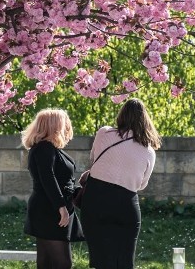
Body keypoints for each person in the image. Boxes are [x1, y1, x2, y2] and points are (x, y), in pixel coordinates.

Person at [79, 98, 161, 269]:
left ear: (121, 115)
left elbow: (93, 159)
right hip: (126, 203)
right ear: (145, 120)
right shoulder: (149, 151)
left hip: (96, 200)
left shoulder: (104, 133)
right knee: (124, 260)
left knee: (100, 258)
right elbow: (142, 185)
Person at [21, 108, 85, 269]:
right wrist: (61, 207)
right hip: (50, 210)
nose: (67, 127)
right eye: (64, 124)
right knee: (62, 263)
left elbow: (61, 179)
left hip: (52, 208)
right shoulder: (44, 148)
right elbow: (47, 178)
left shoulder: (49, 149)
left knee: (47, 262)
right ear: (54, 126)